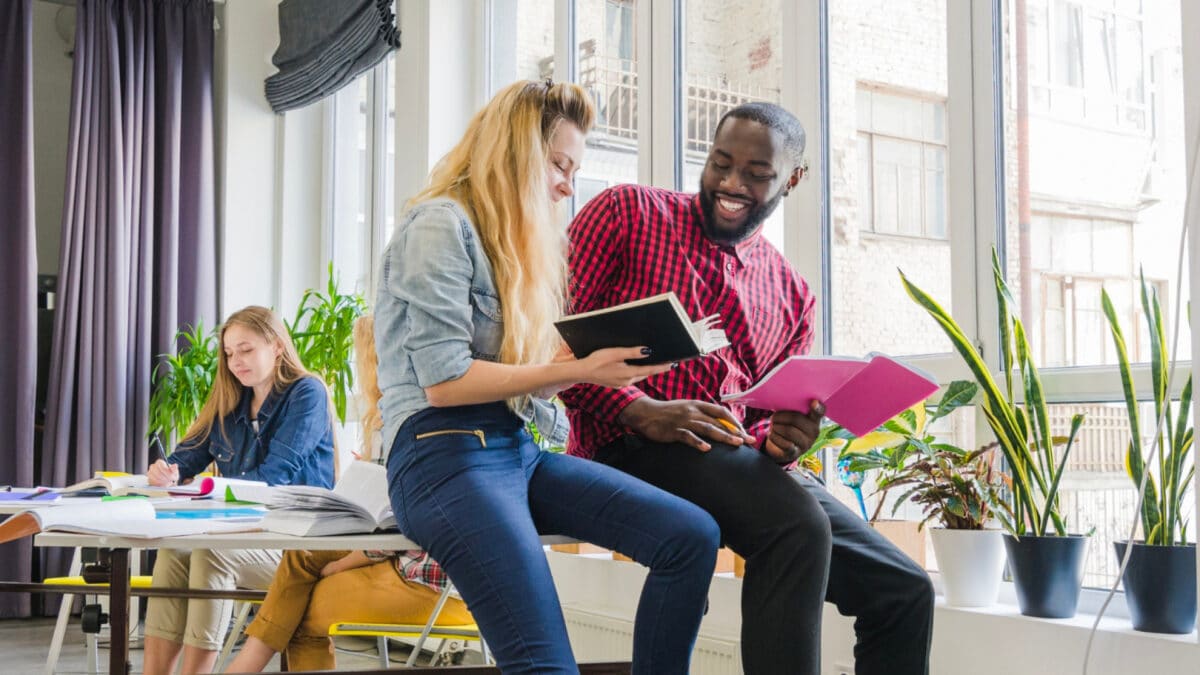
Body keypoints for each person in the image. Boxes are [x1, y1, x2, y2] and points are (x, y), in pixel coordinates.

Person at [559, 102, 935, 675]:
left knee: (905, 591)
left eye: (756, 175)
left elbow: (764, 417)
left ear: (792, 179)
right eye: (720, 164)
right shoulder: (627, 213)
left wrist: (788, 437)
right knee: (796, 526)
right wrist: (642, 411)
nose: (731, 185)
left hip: (735, 462)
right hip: (625, 448)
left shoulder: (793, 293)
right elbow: (555, 347)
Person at [376, 79, 721, 675]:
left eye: (573, 168)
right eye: (558, 164)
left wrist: (598, 373)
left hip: (513, 449)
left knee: (690, 537)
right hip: (441, 454)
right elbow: (444, 382)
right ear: (511, 152)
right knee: (545, 664)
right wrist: (581, 367)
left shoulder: (516, 249)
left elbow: (523, 386)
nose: (567, 184)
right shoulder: (439, 225)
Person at [225, 315, 474, 673]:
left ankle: (247, 662)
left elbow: (408, 527)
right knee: (302, 557)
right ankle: (249, 660)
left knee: (298, 615)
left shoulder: (414, 421)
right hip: (420, 561)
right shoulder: (415, 415)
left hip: (432, 583)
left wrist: (343, 563)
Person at [142, 305, 336, 675]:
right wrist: (168, 471)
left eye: (246, 350)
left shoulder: (306, 393)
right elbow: (187, 456)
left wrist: (207, 492)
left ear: (277, 346)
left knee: (211, 552)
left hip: (295, 547)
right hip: (243, 534)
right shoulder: (230, 400)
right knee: (174, 552)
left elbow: (274, 477)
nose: (235, 362)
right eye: (229, 353)